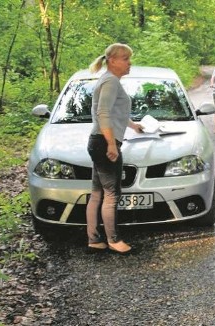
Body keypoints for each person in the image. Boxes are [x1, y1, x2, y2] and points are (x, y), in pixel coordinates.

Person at [86, 43, 143, 254]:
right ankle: (114, 240)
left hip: (98, 141)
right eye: (126, 59)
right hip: (103, 142)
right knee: (111, 194)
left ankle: (94, 239)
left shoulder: (110, 81)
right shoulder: (110, 82)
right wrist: (111, 144)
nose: (130, 63)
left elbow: (114, 112)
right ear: (113, 61)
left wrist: (133, 125)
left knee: (97, 193)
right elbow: (103, 113)